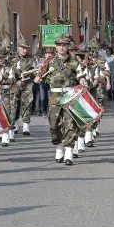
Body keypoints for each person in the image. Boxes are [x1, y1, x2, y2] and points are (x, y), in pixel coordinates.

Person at [35, 36, 86, 165]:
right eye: (59, 45)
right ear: (56, 47)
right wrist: (38, 78)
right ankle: (58, 148)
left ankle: (69, 153)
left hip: (70, 96)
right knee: (53, 125)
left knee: (70, 124)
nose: (62, 47)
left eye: (64, 45)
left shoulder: (75, 62)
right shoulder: (49, 62)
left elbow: (80, 76)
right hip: (55, 96)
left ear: (68, 46)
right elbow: (40, 75)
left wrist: (83, 81)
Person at [11, 37, 36, 136]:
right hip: (14, 84)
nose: (25, 50)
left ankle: (26, 125)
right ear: (18, 47)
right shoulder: (12, 58)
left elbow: (35, 70)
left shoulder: (31, 58)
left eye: (26, 48)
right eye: (23, 48)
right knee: (14, 105)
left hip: (27, 84)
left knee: (27, 104)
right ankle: (16, 124)